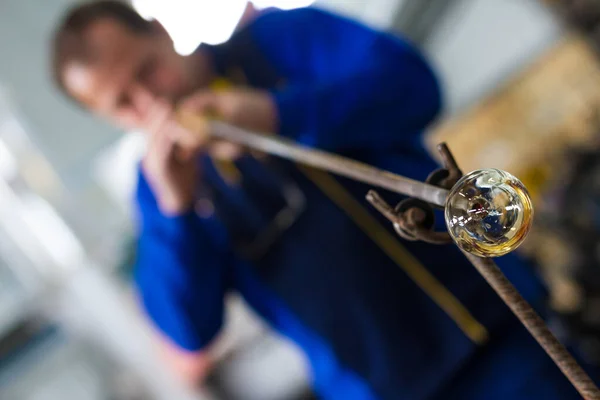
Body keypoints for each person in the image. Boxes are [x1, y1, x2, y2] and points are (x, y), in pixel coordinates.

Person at [51, 2, 587, 399]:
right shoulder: (162, 192)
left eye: (147, 70)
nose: (152, 100)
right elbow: (188, 332)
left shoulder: (284, 42)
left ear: (163, 32)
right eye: (124, 103)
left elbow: (415, 85)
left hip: (494, 329)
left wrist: (276, 114)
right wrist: (177, 216)